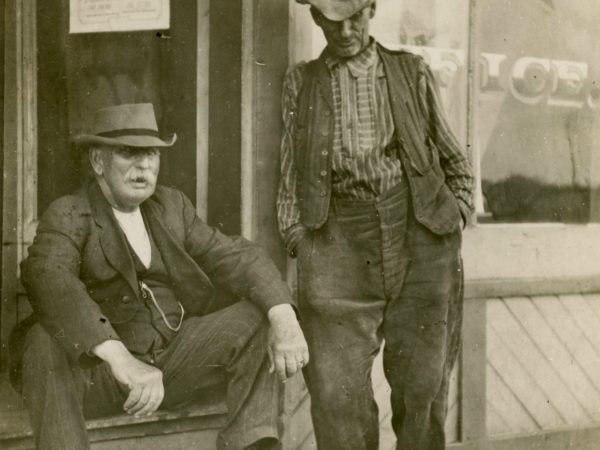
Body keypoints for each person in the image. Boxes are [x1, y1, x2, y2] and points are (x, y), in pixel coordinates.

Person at [12, 103, 308, 450]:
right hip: (103, 377)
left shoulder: (171, 207)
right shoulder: (69, 212)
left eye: (151, 153)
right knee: (42, 341)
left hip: (172, 364)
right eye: (128, 153)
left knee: (259, 317)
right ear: (98, 162)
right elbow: (48, 278)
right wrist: (121, 359)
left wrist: (284, 316)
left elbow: (238, 256)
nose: (143, 166)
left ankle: (251, 446)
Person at [276, 1, 474, 449]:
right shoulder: (301, 82)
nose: (346, 31)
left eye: (356, 17)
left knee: (422, 387)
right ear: (316, 19)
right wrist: (298, 243)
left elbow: (453, 158)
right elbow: (289, 176)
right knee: (335, 393)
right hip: (336, 241)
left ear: (372, 9)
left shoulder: (411, 72)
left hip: (419, 235)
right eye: (333, 20)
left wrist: (455, 216)